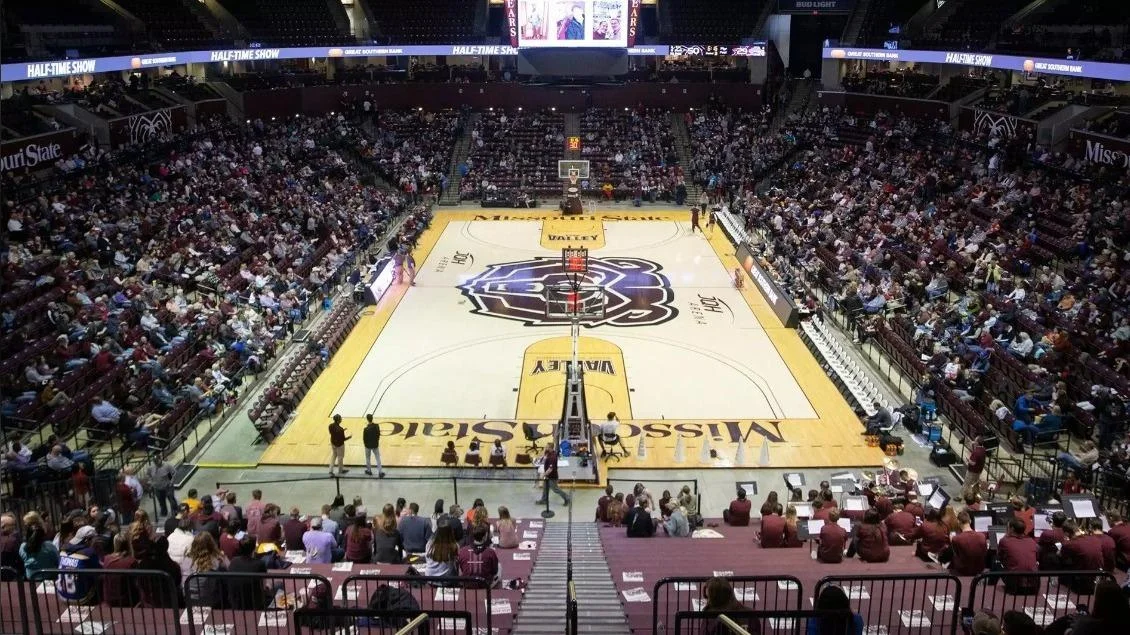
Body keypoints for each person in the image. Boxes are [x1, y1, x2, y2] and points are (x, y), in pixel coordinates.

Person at [57, 525, 101, 604]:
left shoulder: (63, 549)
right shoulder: (88, 553)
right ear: (87, 540)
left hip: (62, 595)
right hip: (81, 598)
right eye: (94, 539)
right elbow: (99, 571)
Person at [184, 532, 228, 608]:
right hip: (211, 601)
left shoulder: (186, 560)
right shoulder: (217, 561)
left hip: (189, 599)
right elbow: (228, 568)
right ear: (211, 545)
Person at [996, 519, 1039, 595]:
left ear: (1011, 529)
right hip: (1034, 582)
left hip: (1015, 584)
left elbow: (1000, 557)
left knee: (995, 561)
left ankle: (990, 584)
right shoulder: (1032, 541)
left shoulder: (1004, 541)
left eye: (1007, 527)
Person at [19, 513, 59, 581]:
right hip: (50, 581)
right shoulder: (50, 546)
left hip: (31, 581)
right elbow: (58, 561)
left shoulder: (22, 547)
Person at [947, 511, 988, 576]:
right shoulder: (982, 536)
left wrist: (951, 541)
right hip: (979, 569)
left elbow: (956, 554)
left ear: (958, 522)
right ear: (970, 521)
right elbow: (985, 552)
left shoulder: (956, 539)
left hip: (963, 570)